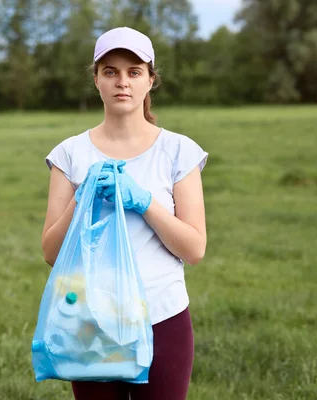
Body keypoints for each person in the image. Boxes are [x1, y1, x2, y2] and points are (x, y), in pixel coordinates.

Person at [41, 26, 208, 400]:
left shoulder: (179, 152)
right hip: (91, 320)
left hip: (163, 318)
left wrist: (144, 201)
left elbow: (194, 249)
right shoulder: (70, 156)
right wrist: (80, 198)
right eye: (110, 71)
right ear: (96, 80)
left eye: (134, 72)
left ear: (151, 80)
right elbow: (51, 252)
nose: (123, 82)